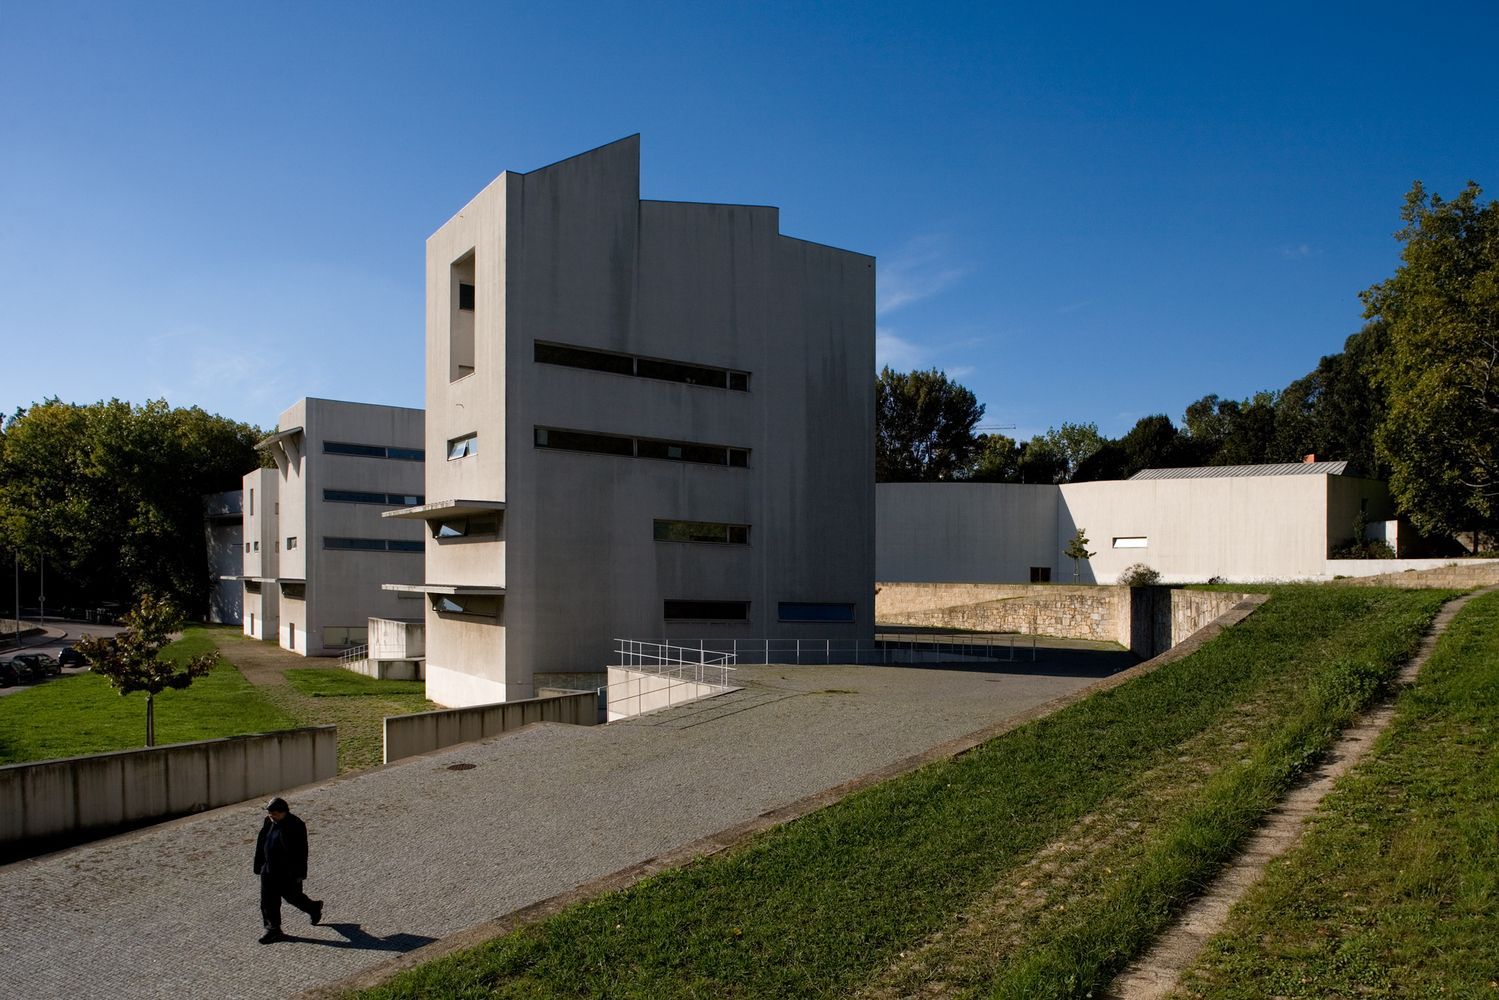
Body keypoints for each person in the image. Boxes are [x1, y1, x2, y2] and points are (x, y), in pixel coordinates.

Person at [253, 797, 323, 943]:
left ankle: (313, 908)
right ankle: (273, 929)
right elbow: (262, 843)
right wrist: (259, 865)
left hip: (287, 872)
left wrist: (300, 874)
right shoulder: (269, 821)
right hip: (269, 869)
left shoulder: (296, 825)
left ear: (283, 812)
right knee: (267, 901)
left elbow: (302, 851)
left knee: (293, 897)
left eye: (274, 814)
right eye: (270, 813)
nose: (271, 816)